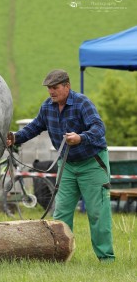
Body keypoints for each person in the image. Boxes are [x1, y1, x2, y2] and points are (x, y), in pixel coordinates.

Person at [6, 69, 115, 262]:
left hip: (92, 164)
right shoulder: (47, 107)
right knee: (61, 212)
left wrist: (81, 137)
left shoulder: (82, 103)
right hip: (68, 166)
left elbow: (99, 128)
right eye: (49, 88)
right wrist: (14, 137)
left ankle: (106, 258)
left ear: (67, 86)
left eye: (55, 87)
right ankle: (60, 257)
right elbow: (34, 127)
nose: (51, 92)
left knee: (98, 213)